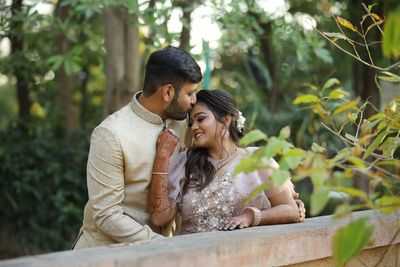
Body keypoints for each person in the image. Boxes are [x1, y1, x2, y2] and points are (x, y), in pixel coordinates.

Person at [72, 46, 202, 249]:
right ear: (167, 92)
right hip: (104, 253)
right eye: (190, 93)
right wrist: (163, 245)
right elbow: (107, 215)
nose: (194, 101)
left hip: (157, 254)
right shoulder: (111, 134)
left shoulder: (185, 123)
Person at [149, 90, 305, 234]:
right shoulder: (186, 163)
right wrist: (161, 159)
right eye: (191, 123)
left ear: (226, 120)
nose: (194, 127)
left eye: (201, 119)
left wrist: (251, 216)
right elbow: (159, 218)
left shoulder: (257, 160)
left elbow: (290, 211)